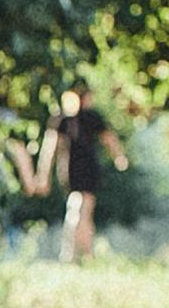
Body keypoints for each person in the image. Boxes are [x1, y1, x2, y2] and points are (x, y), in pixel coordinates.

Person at [48, 83, 125, 262]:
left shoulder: (65, 118)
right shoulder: (86, 117)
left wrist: (45, 174)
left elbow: (52, 148)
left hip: (70, 171)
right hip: (84, 170)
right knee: (84, 211)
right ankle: (84, 252)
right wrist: (119, 158)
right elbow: (109, 139)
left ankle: (74, 252)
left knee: (76, 209)